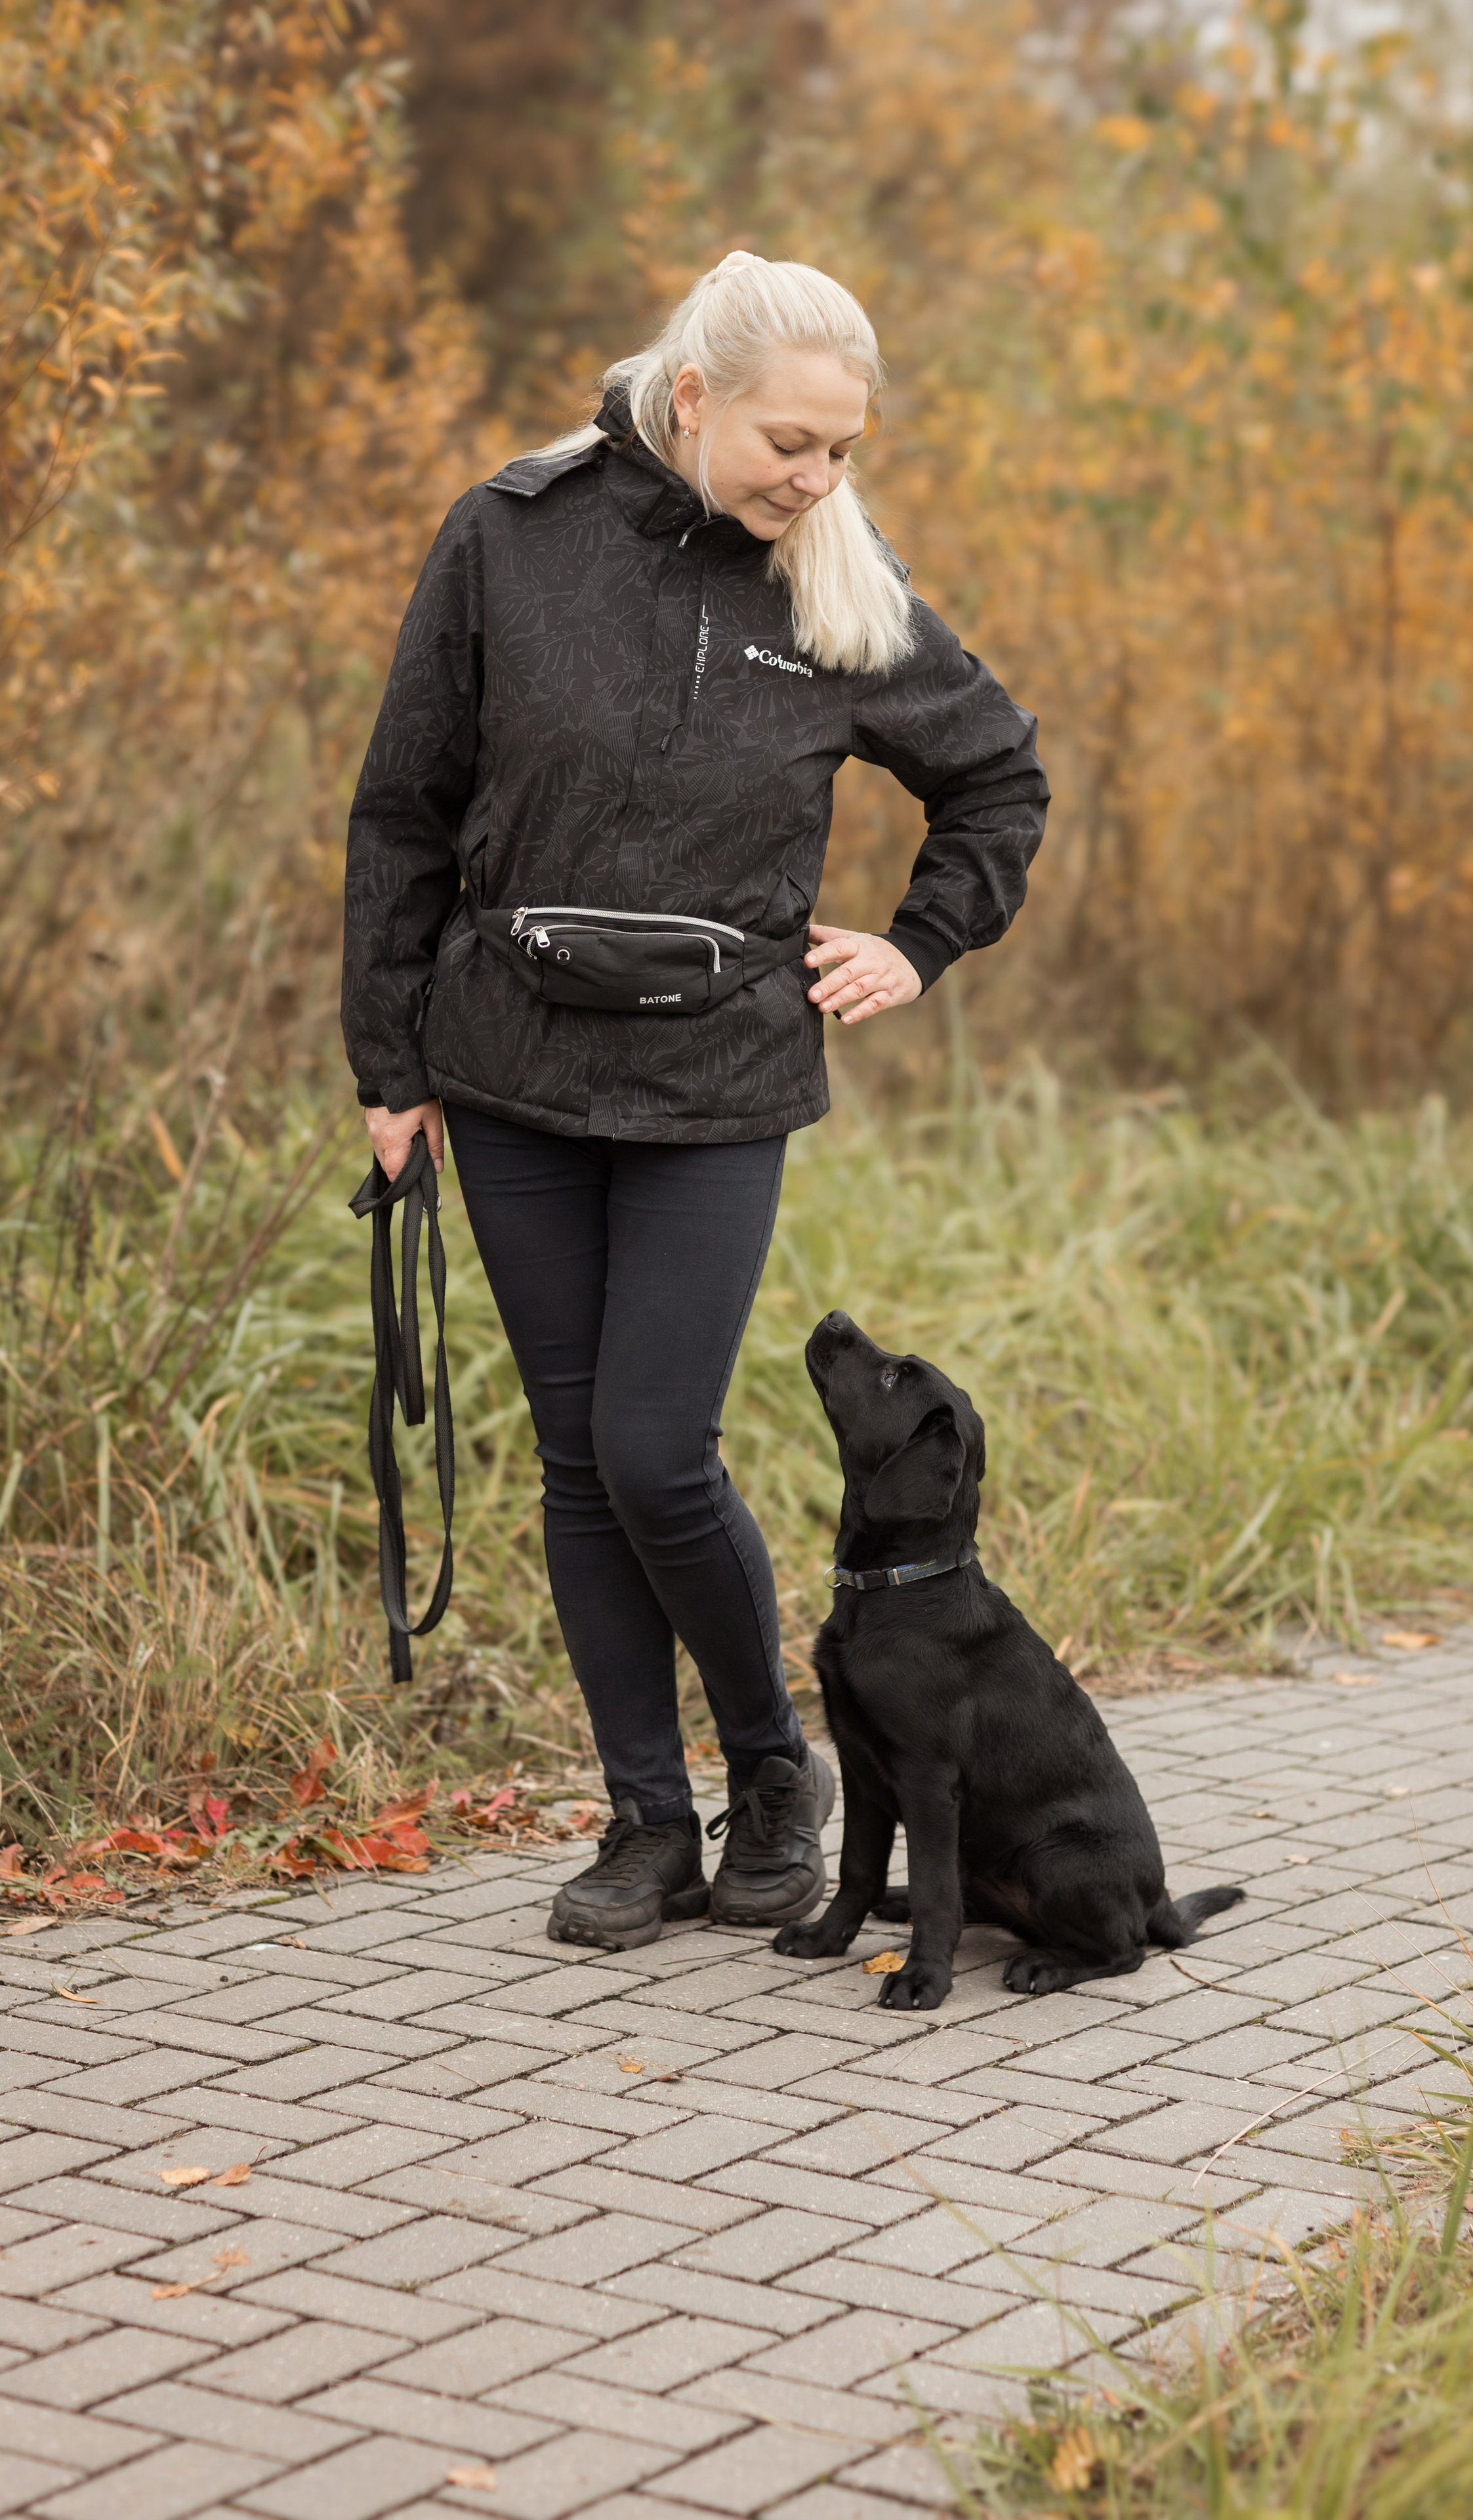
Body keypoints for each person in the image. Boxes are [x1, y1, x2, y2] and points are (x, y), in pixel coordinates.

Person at [342, 251, 1048, 1954]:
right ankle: (649, 1821)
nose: (817, 479)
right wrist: (389, 1063)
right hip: (508, 1068)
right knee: (579, 1464)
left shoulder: (838, 589)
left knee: (656, 1447)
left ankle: (777, 1778)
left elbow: (999, 777)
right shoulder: (509, 536)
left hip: (720, 1080)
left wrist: (917, 945)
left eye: (842, 451)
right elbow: (404, 809)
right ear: (694, 397)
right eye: (790, 442)